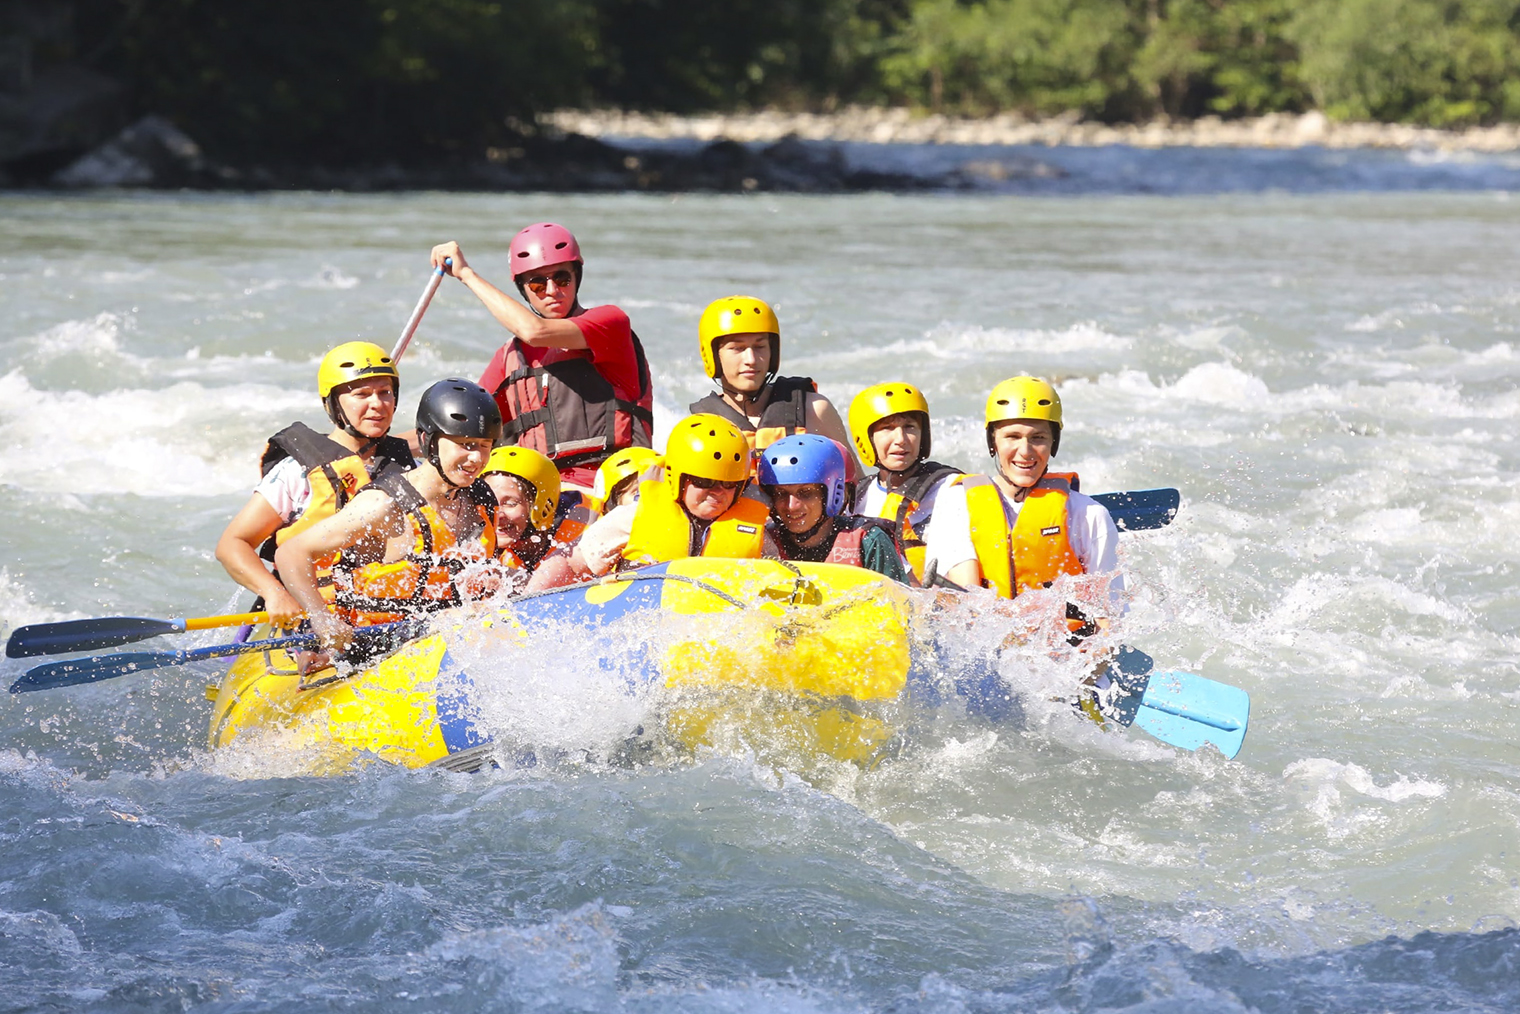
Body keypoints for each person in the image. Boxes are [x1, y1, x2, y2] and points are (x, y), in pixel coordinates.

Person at [275, 378, 503, 656]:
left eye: (484, 445)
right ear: (428, 440)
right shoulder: (384, 505)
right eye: (464, 445)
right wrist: (323, 621)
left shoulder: (479, 497)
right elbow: (291, 553)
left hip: (446, 637)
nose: (476, 459)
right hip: (372, 645)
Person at [429, 223, 653, 494]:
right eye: (537, 282)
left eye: (562, 279)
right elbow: (458, 424)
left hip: (614, 488)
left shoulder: (610, 324)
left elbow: (535, 331)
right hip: (537, 494)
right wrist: (377, 440)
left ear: (577, 276)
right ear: (523, 289)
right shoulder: (510, 357)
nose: (551, 290)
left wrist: (466, 274)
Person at [215, 341, 414, 625]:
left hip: (384, 618)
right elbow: (232, 544)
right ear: (332, 404)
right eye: (361, 394)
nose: (377, 404)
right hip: (312, 619)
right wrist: (274, 594)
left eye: (385, 393)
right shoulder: (296, 472)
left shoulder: (410, 469)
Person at [927, 377, 1121, 624]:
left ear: (1053, 443)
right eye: (1012, 436)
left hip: (1067, 652)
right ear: (993, 441)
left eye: (1038, 437)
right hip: (986, 645)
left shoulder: (1089, 514)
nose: (1025, 450)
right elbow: (962, 607)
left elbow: (1108, 618)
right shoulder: (956, 502)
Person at [526, 413, 772, 589]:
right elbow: (571, 563)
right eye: (704, 482)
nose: (717, 492)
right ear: (678, 477)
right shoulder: (633, 516)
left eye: (729, 484)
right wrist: (528, 603)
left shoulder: (756, 530)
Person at [687, 295, 861, 480]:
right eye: (737, 348)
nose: (751, 360)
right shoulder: (701, 426)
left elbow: (858, 490)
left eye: (760, 346)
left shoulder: (815, 410)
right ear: (713, 356)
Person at [847, 382, 968, 586]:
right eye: (887, 429)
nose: (901, 439)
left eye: (909, 427)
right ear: (866, 439)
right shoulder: (854, 499)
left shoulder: (951, 488)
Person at [758, 434, 907, 583]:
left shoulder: (869, 540)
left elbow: (902, 603)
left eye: (805, 493)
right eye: (781, 493)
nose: (791, 506)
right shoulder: (763, 541)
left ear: (831, 494)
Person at [480, 444, 586, 581]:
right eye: (490, 502)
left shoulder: (587, 536)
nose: (498, 515)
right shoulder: (476, 547)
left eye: (510, 503)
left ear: (540, 505)